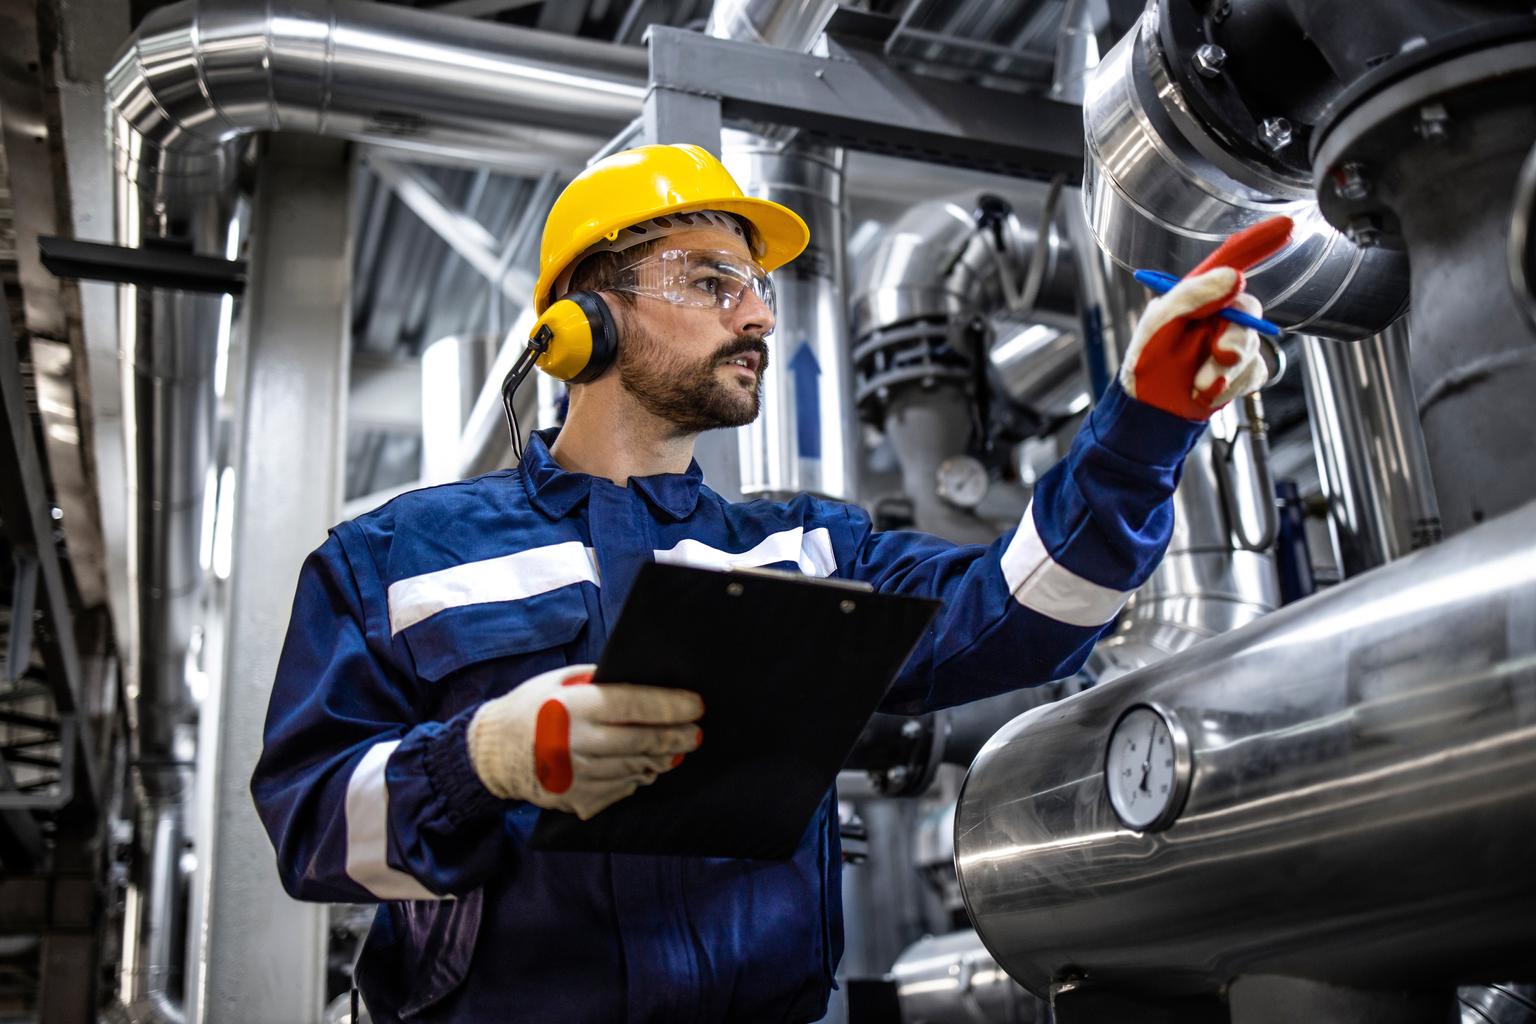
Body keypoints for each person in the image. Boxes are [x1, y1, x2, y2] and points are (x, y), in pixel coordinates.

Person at [251, 143, 1280, 1023]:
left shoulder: (804, 547)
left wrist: (1141, 431)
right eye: (708, 282)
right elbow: (309, 825)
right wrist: (483, 760)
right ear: (584, 322)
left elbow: (1019, 610)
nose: (757, 318)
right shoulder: (394, 559)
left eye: (758, 289)